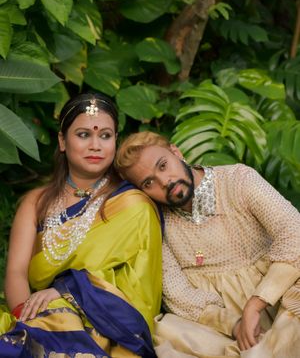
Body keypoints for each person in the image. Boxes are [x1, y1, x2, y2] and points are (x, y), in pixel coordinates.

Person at [0, 94, 162, 358]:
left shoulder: (132, 205)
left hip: (105, 326)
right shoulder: (35, 203)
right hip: (38, 317)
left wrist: (68, 291)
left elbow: (139, 282)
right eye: (84, 135)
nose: (95, 145)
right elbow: (17, 272)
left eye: (106, 136)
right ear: (63, 141)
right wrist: (26, 321)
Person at [115, 131, 300, 358]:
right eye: (149, 182)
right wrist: (233, 324)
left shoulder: (238, 180)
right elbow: (177, 294)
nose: (165, 182)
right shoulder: (158, 223)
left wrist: (257, 302)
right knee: (166, 332)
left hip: (281, 297)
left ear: (176, 153)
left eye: (163, 165)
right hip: (224, 326)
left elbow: (294, 231)